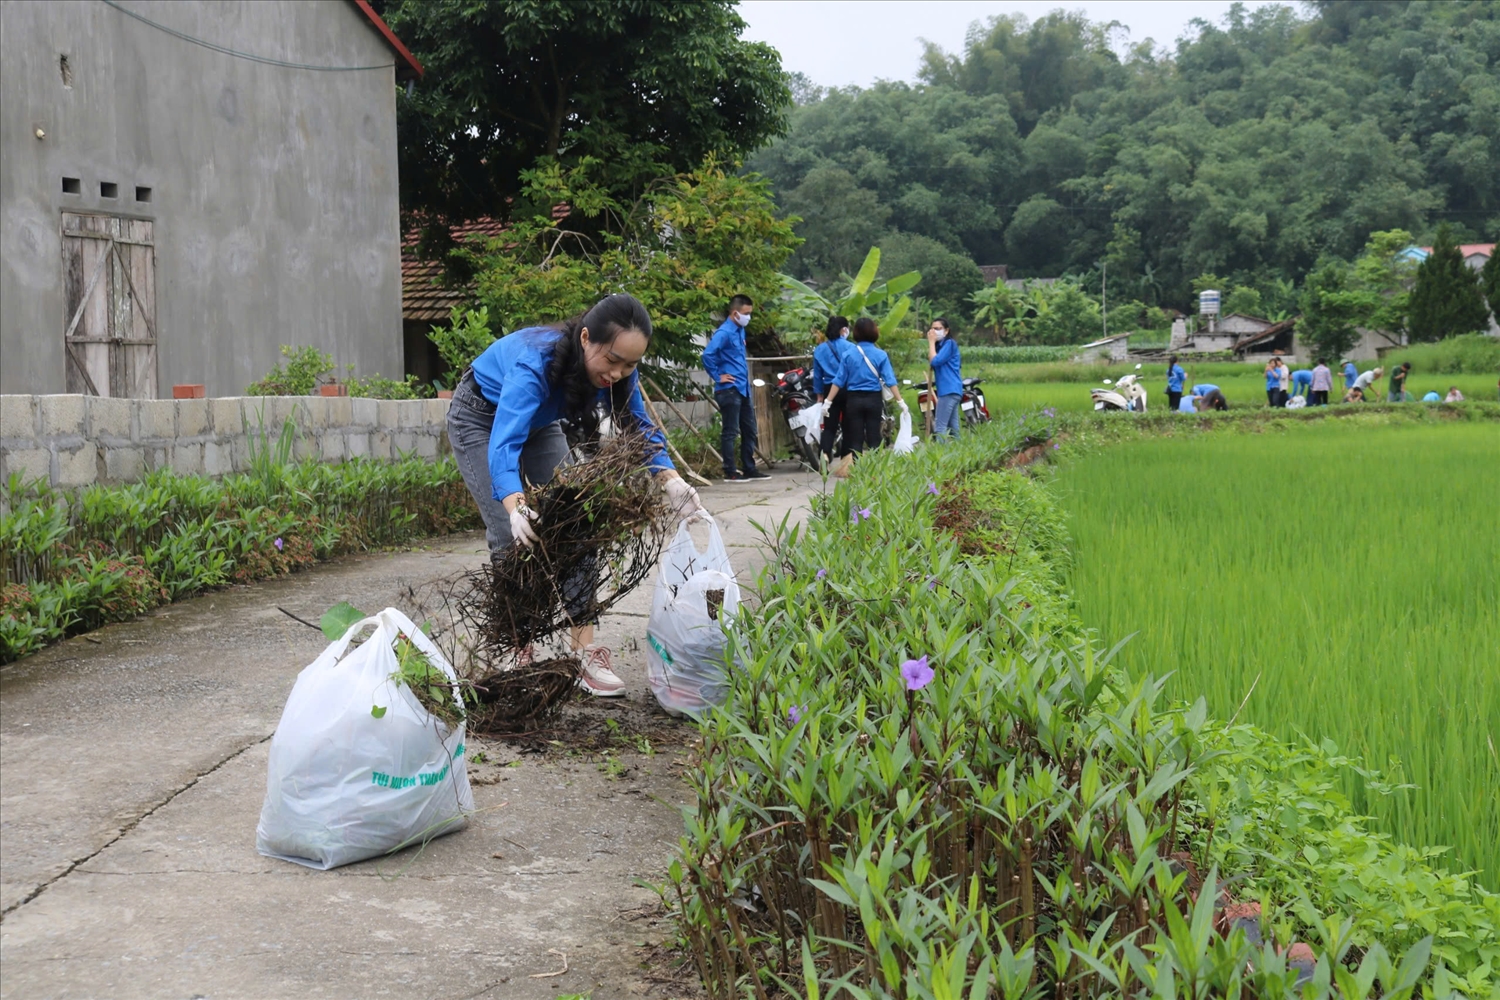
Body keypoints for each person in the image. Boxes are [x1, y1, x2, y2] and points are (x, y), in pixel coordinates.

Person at [447, 293, 707, 696]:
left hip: (540, 422)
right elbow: (504, 443)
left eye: (630, 365)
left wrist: (670, 479)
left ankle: (583, 654)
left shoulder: (619, 372)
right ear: (586, 338)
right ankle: (521, 650)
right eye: (613, 360)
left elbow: (637, 424)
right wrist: (516, 506)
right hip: (480, 417)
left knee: (577, 516)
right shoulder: (534, 364)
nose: (618, 373)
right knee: (508, 531)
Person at [702, 294, 770, 482]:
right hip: (729, 388)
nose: (749, 317)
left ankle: (749, 468)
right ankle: (730, 471)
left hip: (743, 388)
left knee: (750, 430)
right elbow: (707, 355)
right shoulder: (724, 333)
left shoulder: (740, 331)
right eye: (746, 313)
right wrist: (718, 376)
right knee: (730, 431)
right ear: (735, 313)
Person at [824, 317, 906, 454]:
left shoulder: (848, 355)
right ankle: (875, 471)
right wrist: (900, 401)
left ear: (855, 333)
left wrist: (828, 401)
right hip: (873, 399)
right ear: (874, 332)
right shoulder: (881, 355)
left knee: (856, 439)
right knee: (874, 436)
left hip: (853, 400)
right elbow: (890, 380)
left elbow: (838, 380)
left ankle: (858, 471)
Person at [812, 315, 853, 461]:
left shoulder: (819, 350)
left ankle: (824, 454)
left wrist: (819, 396)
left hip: (829, 389)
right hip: (848, 388)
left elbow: (817, 376)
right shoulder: (851, 347)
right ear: (844, 330)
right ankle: (847, 460)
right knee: (848, 425)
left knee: (829, 427)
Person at [927, 318, 963, 439]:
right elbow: (932, 360)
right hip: (951, 389)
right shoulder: (940, 346)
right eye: (932, 328)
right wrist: (932, 344)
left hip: (948, 389)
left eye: (937, 329)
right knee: (953, 427)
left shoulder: (949, 344)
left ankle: (940, 454)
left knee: (940, 426)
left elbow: (935, 361)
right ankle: (960, 451)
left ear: (946, 331)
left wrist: (931, 343)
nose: (934, 331)